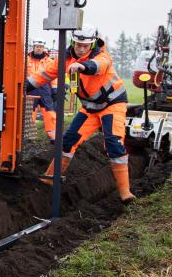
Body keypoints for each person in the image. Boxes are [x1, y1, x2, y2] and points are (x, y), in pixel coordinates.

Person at [27, 27, 135, 203]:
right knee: (68, 141)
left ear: (92, 44)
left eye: (86, 45)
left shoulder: (102, 56)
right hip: (90, 108)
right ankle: (48, 180)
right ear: (72, 42)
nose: (82, 48)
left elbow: (98, 66)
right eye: (78, 44)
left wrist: (82, 66)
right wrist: (22, 86)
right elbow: (43, 75)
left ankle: (125, 193)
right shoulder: (65, 59)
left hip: (112, 104)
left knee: (114, 144)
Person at [27, 39, 57, 142]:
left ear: (43, 48)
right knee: (29, 112)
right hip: (30, 88)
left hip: (45, 89)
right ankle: (29, 136)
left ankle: (53, 135)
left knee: (49, 111)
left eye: (41, 46)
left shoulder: (49, 61)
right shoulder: (26, 60)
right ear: (33, 47)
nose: (39, 48)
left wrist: (54, 89)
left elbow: (54, 76)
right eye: (37, 46)